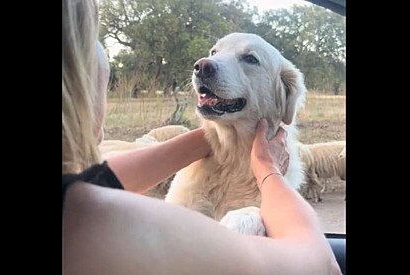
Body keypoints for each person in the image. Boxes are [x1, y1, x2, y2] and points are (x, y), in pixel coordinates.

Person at [62, 1, 342, 274]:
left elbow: (102, 181)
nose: (208, 64)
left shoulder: (75, 198)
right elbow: (320, 262)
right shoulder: (83, 220)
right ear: (80, 93)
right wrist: (268, 172)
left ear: (284, 94)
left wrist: (215, 140)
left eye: (249, 59)